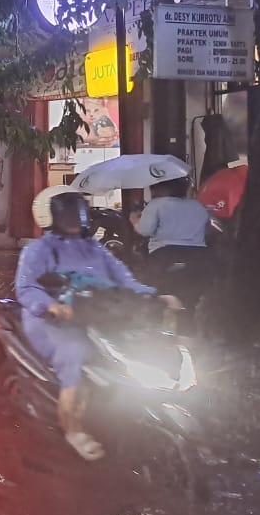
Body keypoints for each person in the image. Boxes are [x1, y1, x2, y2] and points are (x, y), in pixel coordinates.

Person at [15, 189, 178, 462]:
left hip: (96, 314)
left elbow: (125, 280)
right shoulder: (38, 250)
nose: (77, 220)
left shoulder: (94, 248)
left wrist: (153, 295)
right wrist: (52, 306)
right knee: (76, 355)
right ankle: (74, 430)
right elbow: (27, 288)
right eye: (70, 214)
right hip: (52, 320)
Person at [131, 177, 211, 306]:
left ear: (162, 188)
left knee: (153, 293)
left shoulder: (156, 205)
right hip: (198, 256)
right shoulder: (197, 205)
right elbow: (207, 231)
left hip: (164, 255)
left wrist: (134, 221)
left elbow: (144, 231)